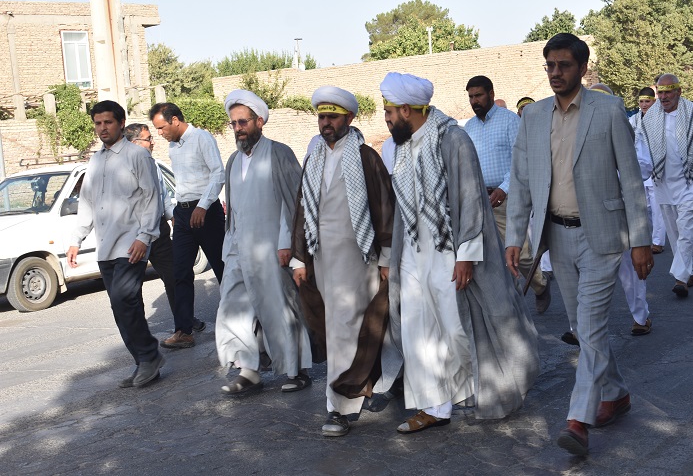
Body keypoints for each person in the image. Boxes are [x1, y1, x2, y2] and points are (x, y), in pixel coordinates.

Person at [505, 34, 653, 456]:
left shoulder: (608, 110)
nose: (555, 73)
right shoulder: (533, 116)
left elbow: (631, 179)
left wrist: (641, 240)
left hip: (601, 235)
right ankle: (616, 394)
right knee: (584, 327)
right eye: (550, 65)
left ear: (583, 68)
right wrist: (515, 236)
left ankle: (578, 420)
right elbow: (520, 181)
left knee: (588, 326)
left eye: (564, 65)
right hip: (556, 236)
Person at [381, 71, 539, 434]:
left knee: (457, 330)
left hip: (449, 254)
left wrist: (466, 255)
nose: (386, 119)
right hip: (414, 254)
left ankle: (484, 388)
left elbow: (471, 200)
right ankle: (434, 406)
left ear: (405, 110)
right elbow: (401, 207)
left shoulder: (453, 138)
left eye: (389, 111)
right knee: (418, 331)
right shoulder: (401, 147)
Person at [291, 86, 398, 437]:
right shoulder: (313, 159)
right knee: (342, 328)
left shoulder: (366, 157)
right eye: (322, 117)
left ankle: (339, 407)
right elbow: (302, 210)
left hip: (359, 259)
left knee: (352, 327)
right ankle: (366, 384)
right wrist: (298, 258)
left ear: (349, 118)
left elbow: (385, 207)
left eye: (332, 117)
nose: (326, 123)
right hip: (322, 260)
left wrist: (386, 257)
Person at [214, 89, 312, 396]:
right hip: (238, 249)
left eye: (243, 122)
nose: (238, 128)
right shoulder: (233, 161)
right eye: (233, 123)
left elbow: (294, 203)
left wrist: (287, 244)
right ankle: (249, 370)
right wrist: (229, 248)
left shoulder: (279, 153)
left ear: (259, 121)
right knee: (233, 307)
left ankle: (296, 370)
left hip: (273, 248)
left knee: (279, 308)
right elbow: (234, 209)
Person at [67, 101, 164, 388]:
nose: (102, 128)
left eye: (108, 122)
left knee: (124, 299)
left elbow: (152, 197)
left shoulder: (137, 155)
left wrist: (144, 237)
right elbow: (87, 203)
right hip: (106, 246)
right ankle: (143, 362)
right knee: (120, 306)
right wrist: (76, 239)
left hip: (131, 244)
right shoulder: (95, 161)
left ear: (121, 123)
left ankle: (149, 356)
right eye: (98, 123)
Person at [463, 75, 550, 313]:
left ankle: (541, 285)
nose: (474, 101)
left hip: (508, 197)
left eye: (478, 95)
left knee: (521, 254)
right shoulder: (469, 127)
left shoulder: (510, 120)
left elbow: (521, 160)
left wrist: (504, 188)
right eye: (471, 97)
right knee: (491, 256)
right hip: (481, 199)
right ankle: (510, 306)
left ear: (491, 94)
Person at [149, 103, 225, 349]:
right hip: (182, 215)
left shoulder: (202, 138)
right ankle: (183, 331)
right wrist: (175, 212)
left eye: (161, 127)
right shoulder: (173, 146)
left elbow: (218, 173)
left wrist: (202, 206)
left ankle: (243, 321)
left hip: (206, 212)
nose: (159, 133)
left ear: (175, 120)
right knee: (180, 272)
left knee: (223, 268)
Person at [639, 74, 693, 298]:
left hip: (691, 183)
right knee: (676, 234)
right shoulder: (650, 118)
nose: (664, 97)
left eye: (668, 92)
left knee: (687, 231)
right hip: (663, 184)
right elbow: (643, 152)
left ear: (679, 92)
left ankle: (680, 278)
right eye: (660, 92)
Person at [122, 124, 206, 334]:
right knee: (132, 285)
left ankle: (185, 321)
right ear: (133, 143)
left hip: (158, 229)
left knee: (175, 275)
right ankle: (139, 333)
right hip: (134, 233)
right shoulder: (122, 169)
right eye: (148, 139)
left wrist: (172, 216)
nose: (153, 142)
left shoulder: (152, 163)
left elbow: (162, 195)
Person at [587, 84, 653, 337]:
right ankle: (579, 327)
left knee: (630, 272)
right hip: (587, 216)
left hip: (621, 213)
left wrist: (619, 167)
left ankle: (640, 317)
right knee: (587, 275)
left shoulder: (626, 130)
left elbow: (644, 168)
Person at [630, 88, 666, 254]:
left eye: (647, 101)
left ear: (654, 101)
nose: (644, 105)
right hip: (639, 170)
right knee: (645, 208)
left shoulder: (661, 119)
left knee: (658, 208)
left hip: (657, 168)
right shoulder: (633, 120)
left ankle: (658, 241)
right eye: (641, 101)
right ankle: (648, 238)